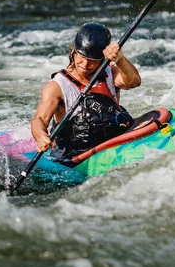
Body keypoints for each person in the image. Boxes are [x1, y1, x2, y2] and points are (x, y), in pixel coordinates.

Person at [31, 22, 141, 166]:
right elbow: (39, 120)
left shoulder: (110, 73)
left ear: (103, 59)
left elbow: (134, 82)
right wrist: (41, 137)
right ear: (74, 50)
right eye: (81, 56)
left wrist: (120, 59)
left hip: (112, 142)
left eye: (92, 61)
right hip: (73, 155)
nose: (85, 64)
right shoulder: (57, 86)